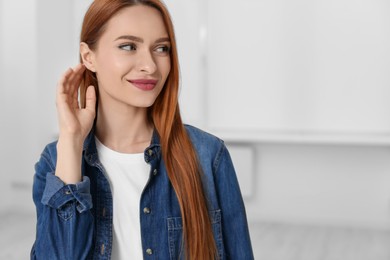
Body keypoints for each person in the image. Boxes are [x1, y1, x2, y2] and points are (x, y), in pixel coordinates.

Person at [31, 0, 253, 259]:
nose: (150, 65)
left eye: (161, 48)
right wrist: (71, 142)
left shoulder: (208, 155)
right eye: (128, 46)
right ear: (88, 57)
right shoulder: (56, 161)